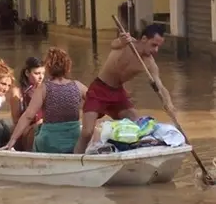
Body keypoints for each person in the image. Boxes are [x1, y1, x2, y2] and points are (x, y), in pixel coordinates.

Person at [73, 24, 176, 154]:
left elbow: (160, 85)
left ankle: (128, 156)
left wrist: (169, 104)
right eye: (153, 45)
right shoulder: (127, 42)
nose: (156, 50)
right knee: (87, 133)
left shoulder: (149, 63)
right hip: (99, 88)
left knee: (136, 126)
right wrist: (121, 41)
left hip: (118, 93)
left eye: (158, 47)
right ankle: (76, 158)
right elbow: (114, 44)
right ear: (144, 39)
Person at [1, 47, 88, 154]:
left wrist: (12, 140)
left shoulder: (44, 88)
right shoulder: (78, 86)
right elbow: (97, 104)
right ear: (68, 67)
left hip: (49, 142)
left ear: (48, 67)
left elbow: (28, 116)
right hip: (74, 141)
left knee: (37, 134)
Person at [10, 57, 45, 151]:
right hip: (24, 131)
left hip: (43, 128)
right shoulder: (17, 93)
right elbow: (16, 121)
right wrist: (34, 125)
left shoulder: (45, 90)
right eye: (37, 73)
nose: (41, 77)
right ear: (27, 73)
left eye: (43, 73)